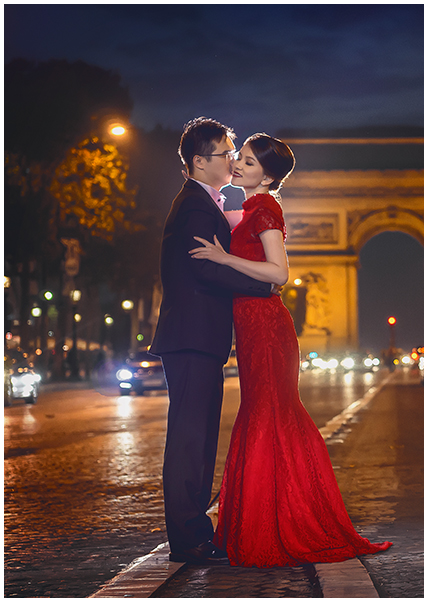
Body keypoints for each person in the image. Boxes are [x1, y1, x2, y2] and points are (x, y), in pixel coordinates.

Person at [189, 133, 391, 567]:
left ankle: (274, 522)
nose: (237, 165)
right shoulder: (250, 208)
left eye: (247, 161)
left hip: (264, 326)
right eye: (237, 158)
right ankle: (274, 515)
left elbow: (279, 272)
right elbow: (218, 213)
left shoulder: (264, 207)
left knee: (267, 414)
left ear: (268, 174)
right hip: (253, 325)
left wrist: (224, 259)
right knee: (270, 414)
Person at [149, 117, 274, 565]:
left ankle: (195, 532)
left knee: (198, 438)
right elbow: (205, 267)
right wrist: (266, 286)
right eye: (226, 154)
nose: (232, 161)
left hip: (197, 338)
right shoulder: (198, 207)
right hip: (193, 338)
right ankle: (188, 539)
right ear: (200, 162)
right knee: (189, 439)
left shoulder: (202, 203)